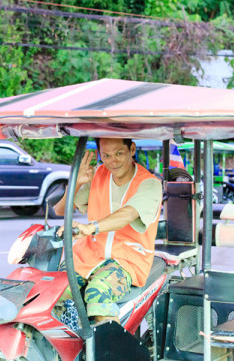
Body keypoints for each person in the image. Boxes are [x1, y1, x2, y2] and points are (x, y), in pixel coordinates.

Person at [54, 138, 162, 325]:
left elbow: (128, 213)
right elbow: (60, 210)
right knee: (53, 290)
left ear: (132, 149)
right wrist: (76, 183)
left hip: (127, 261)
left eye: (119, 153)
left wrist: (90, 228)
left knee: (97, 292)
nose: (113, 161)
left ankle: (109, 351)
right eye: (106, 155)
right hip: (88, 256)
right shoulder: (96, 175)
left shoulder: (149, 184)